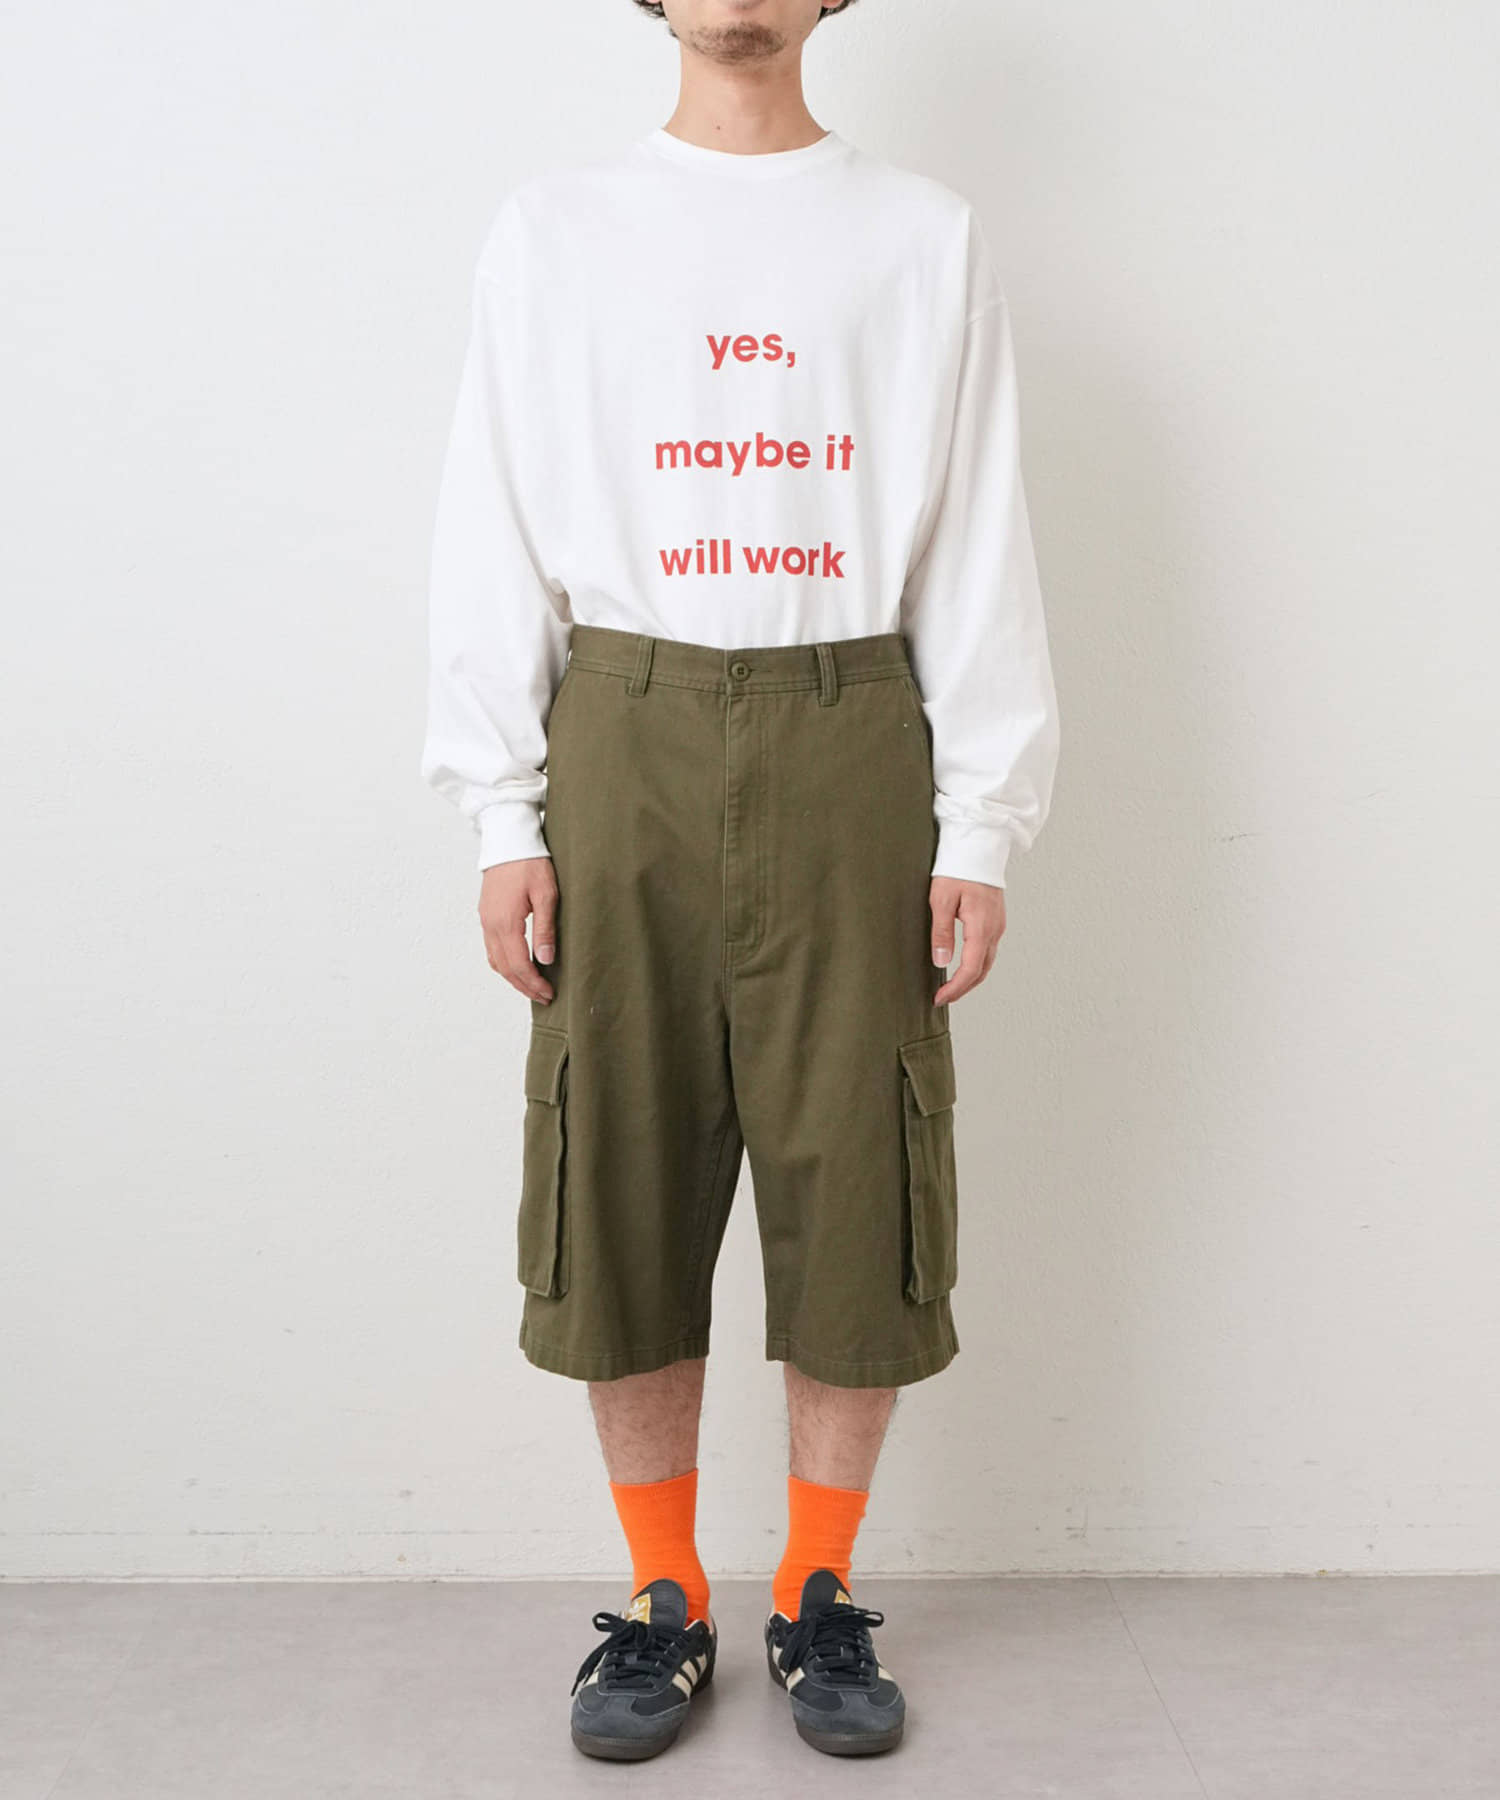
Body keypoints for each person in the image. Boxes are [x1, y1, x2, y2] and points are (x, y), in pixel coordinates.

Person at [421, 0, 1059, 1762]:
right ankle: (663, 1599)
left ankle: (818, 1590)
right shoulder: (557, 229)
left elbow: (978, 535)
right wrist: (500, 812)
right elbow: (491, 517)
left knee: (862, 1165)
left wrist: (983, 822)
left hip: (853, 716)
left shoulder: (921, 236)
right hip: (621, 718)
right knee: (617, 1157)